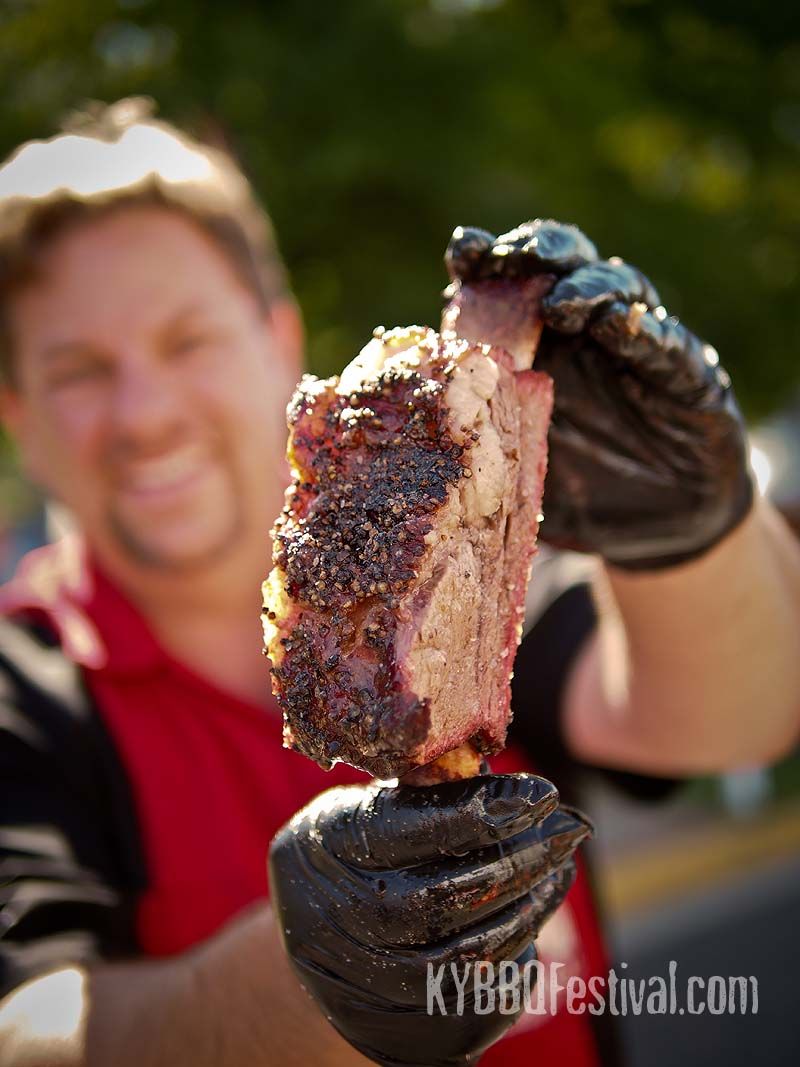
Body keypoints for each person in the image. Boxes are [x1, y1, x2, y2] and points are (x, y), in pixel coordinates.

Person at [0, 99, 798, 1066]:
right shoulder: (25, 692)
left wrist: (690, 530)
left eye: (187, 340)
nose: (145, 411)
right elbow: (25, 1027)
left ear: (277, 338)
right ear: (20, 415)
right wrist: (314, 978)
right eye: (79, 369)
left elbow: (736, 717)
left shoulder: (467, 574)